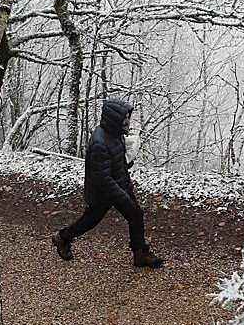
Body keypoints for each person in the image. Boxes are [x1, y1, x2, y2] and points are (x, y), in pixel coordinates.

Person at [52, 98, 164, 268]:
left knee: (136, 215)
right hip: (103, 192)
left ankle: (140, 254)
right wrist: (123, 197)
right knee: (90, 221)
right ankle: (63, 237)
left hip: (119, 184)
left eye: (128, 116)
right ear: (114, 118)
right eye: (125, 117)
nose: (128, 120)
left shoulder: (115, 133)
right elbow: (102, 179)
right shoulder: (99, 143)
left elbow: (114, 160)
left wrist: (127, 161)